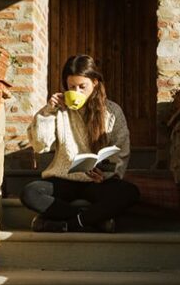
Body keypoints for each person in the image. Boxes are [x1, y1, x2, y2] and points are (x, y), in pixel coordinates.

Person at [22, 55, 140, 233]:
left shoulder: (113, 111)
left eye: (82, 86)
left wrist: (107, 174)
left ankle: (67, 224)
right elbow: (40, 145)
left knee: (129, 192)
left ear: (95, 83)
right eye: (71, 87)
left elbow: (121, 150)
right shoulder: (58, 110)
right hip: (64, 178)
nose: (76, 91)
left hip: (96, 181)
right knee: (29, 193)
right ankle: (92, 219)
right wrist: (47, 112)